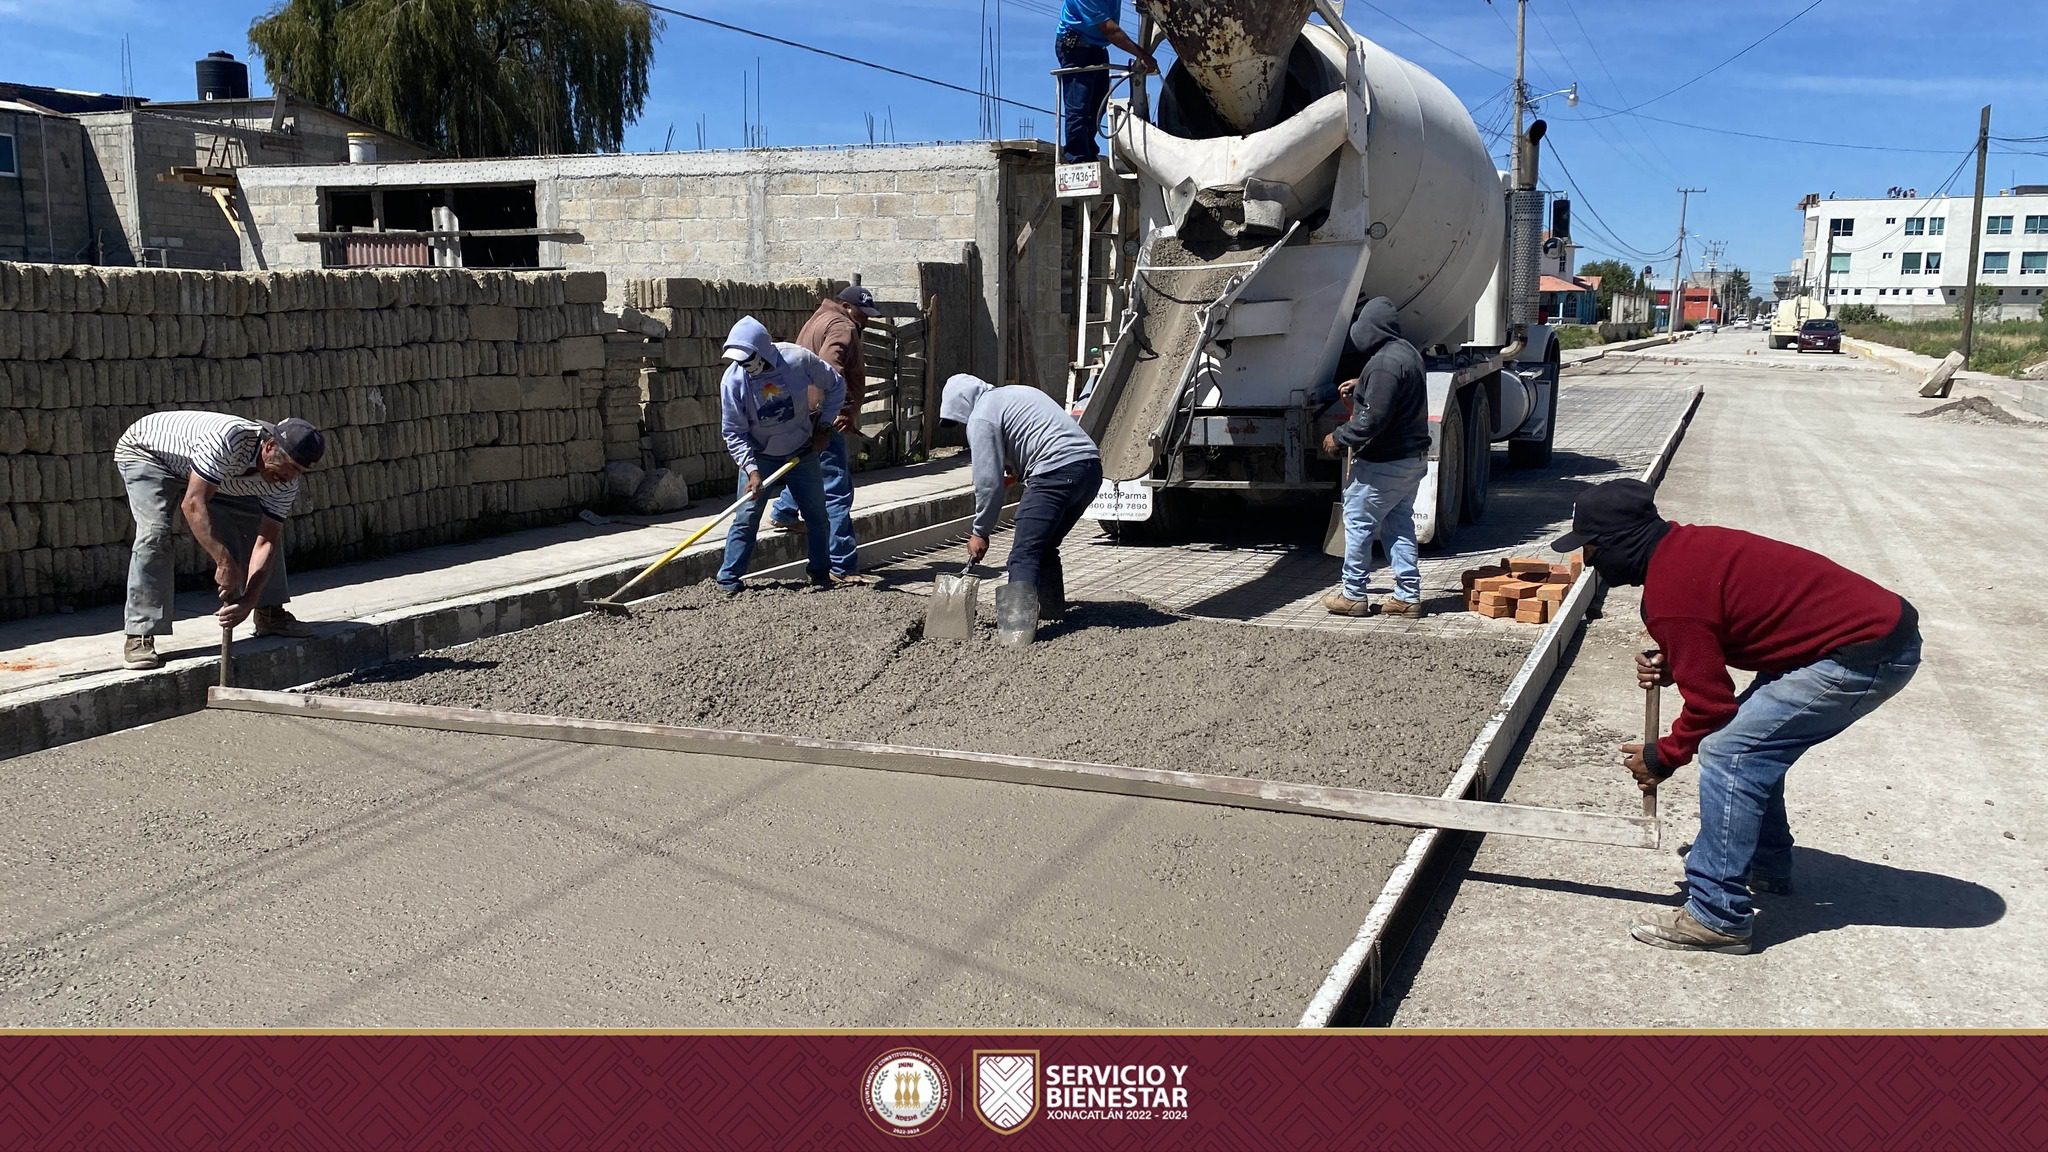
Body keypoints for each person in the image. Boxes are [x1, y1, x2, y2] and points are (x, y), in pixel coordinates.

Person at [1552, 478, 1922, 955]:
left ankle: (1717, 915)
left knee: (1732, 751)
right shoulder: (1682, 549)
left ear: (1621, 542)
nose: (1590, 561)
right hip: (1853, 634)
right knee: (1756, 742)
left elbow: (1712, 707)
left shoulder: (1670, 595)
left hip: (1864, 653)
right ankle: (1765, 865)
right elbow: (1722, 623)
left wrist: (1662, 756)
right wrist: (1678, 659)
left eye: (1593, 547)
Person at [113, 411, 326, 670]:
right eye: (290, 467)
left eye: (300, 472)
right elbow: (192, 504)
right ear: (270, 447)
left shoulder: (283, 483)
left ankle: (269, 613)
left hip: (217, 472)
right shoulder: (229, 440)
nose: (291, 477)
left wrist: (248, 601)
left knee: (253, 523)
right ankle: (140, 633)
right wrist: (224, 563)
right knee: (154, 534)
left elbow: (266, 541)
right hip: (150, 454)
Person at [939, 374, 1102, 632]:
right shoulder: (1017, 392)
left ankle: (1016, 629)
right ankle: (1051, 613)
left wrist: (980, 532)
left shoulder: (981, 416)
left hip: (1054, 473)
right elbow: (1041, 433)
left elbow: (987, 482)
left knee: (1023, 554)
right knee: (1044, 546)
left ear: (961, 403)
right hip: (1089, 470)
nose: (962, 424)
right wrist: (1017, 471)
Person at [1318, 297, 1430, 619]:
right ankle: (1407, 596)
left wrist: (1338, 437)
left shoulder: (1383, 364)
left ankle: (1353, 594)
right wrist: (1363, 384)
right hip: (1412, 460)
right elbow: (1391, 392)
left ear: (1371, 329)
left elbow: (1373, 420)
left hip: (1387, 461)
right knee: (1398, 524)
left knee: (1357, 520)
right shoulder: (1406, 353)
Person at [715, 316, 844, 594]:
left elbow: (835, 385)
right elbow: (733, 431)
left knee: (817, 515)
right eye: (738, 360)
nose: (744, 365)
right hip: (760, 456)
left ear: (763, 351)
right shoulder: (734, 381)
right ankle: (728, 580)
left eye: (748, 358)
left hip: (802, 451)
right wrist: (751, 470)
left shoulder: (798, 360)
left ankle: (821, 573)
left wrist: (824, 427)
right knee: (746, 518)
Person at [768, 283, 882, 584]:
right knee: (836, 488)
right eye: (863, 313)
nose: (865, 320)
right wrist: (840, 411)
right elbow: (831, 367)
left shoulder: (817, 319)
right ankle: (842, 565)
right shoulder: (842, 326)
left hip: (803, 411)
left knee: (809, 466)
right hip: (824, 416)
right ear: (846, 306)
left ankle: (785, 509)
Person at [1054, 0, 1158, 163]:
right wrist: (1143, 55)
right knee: (1080, 106)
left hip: (1097, 47)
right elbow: (1110, 30)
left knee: (1098, 106)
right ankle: (1077, 158)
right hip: (1075, 47)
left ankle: (1088, 153)